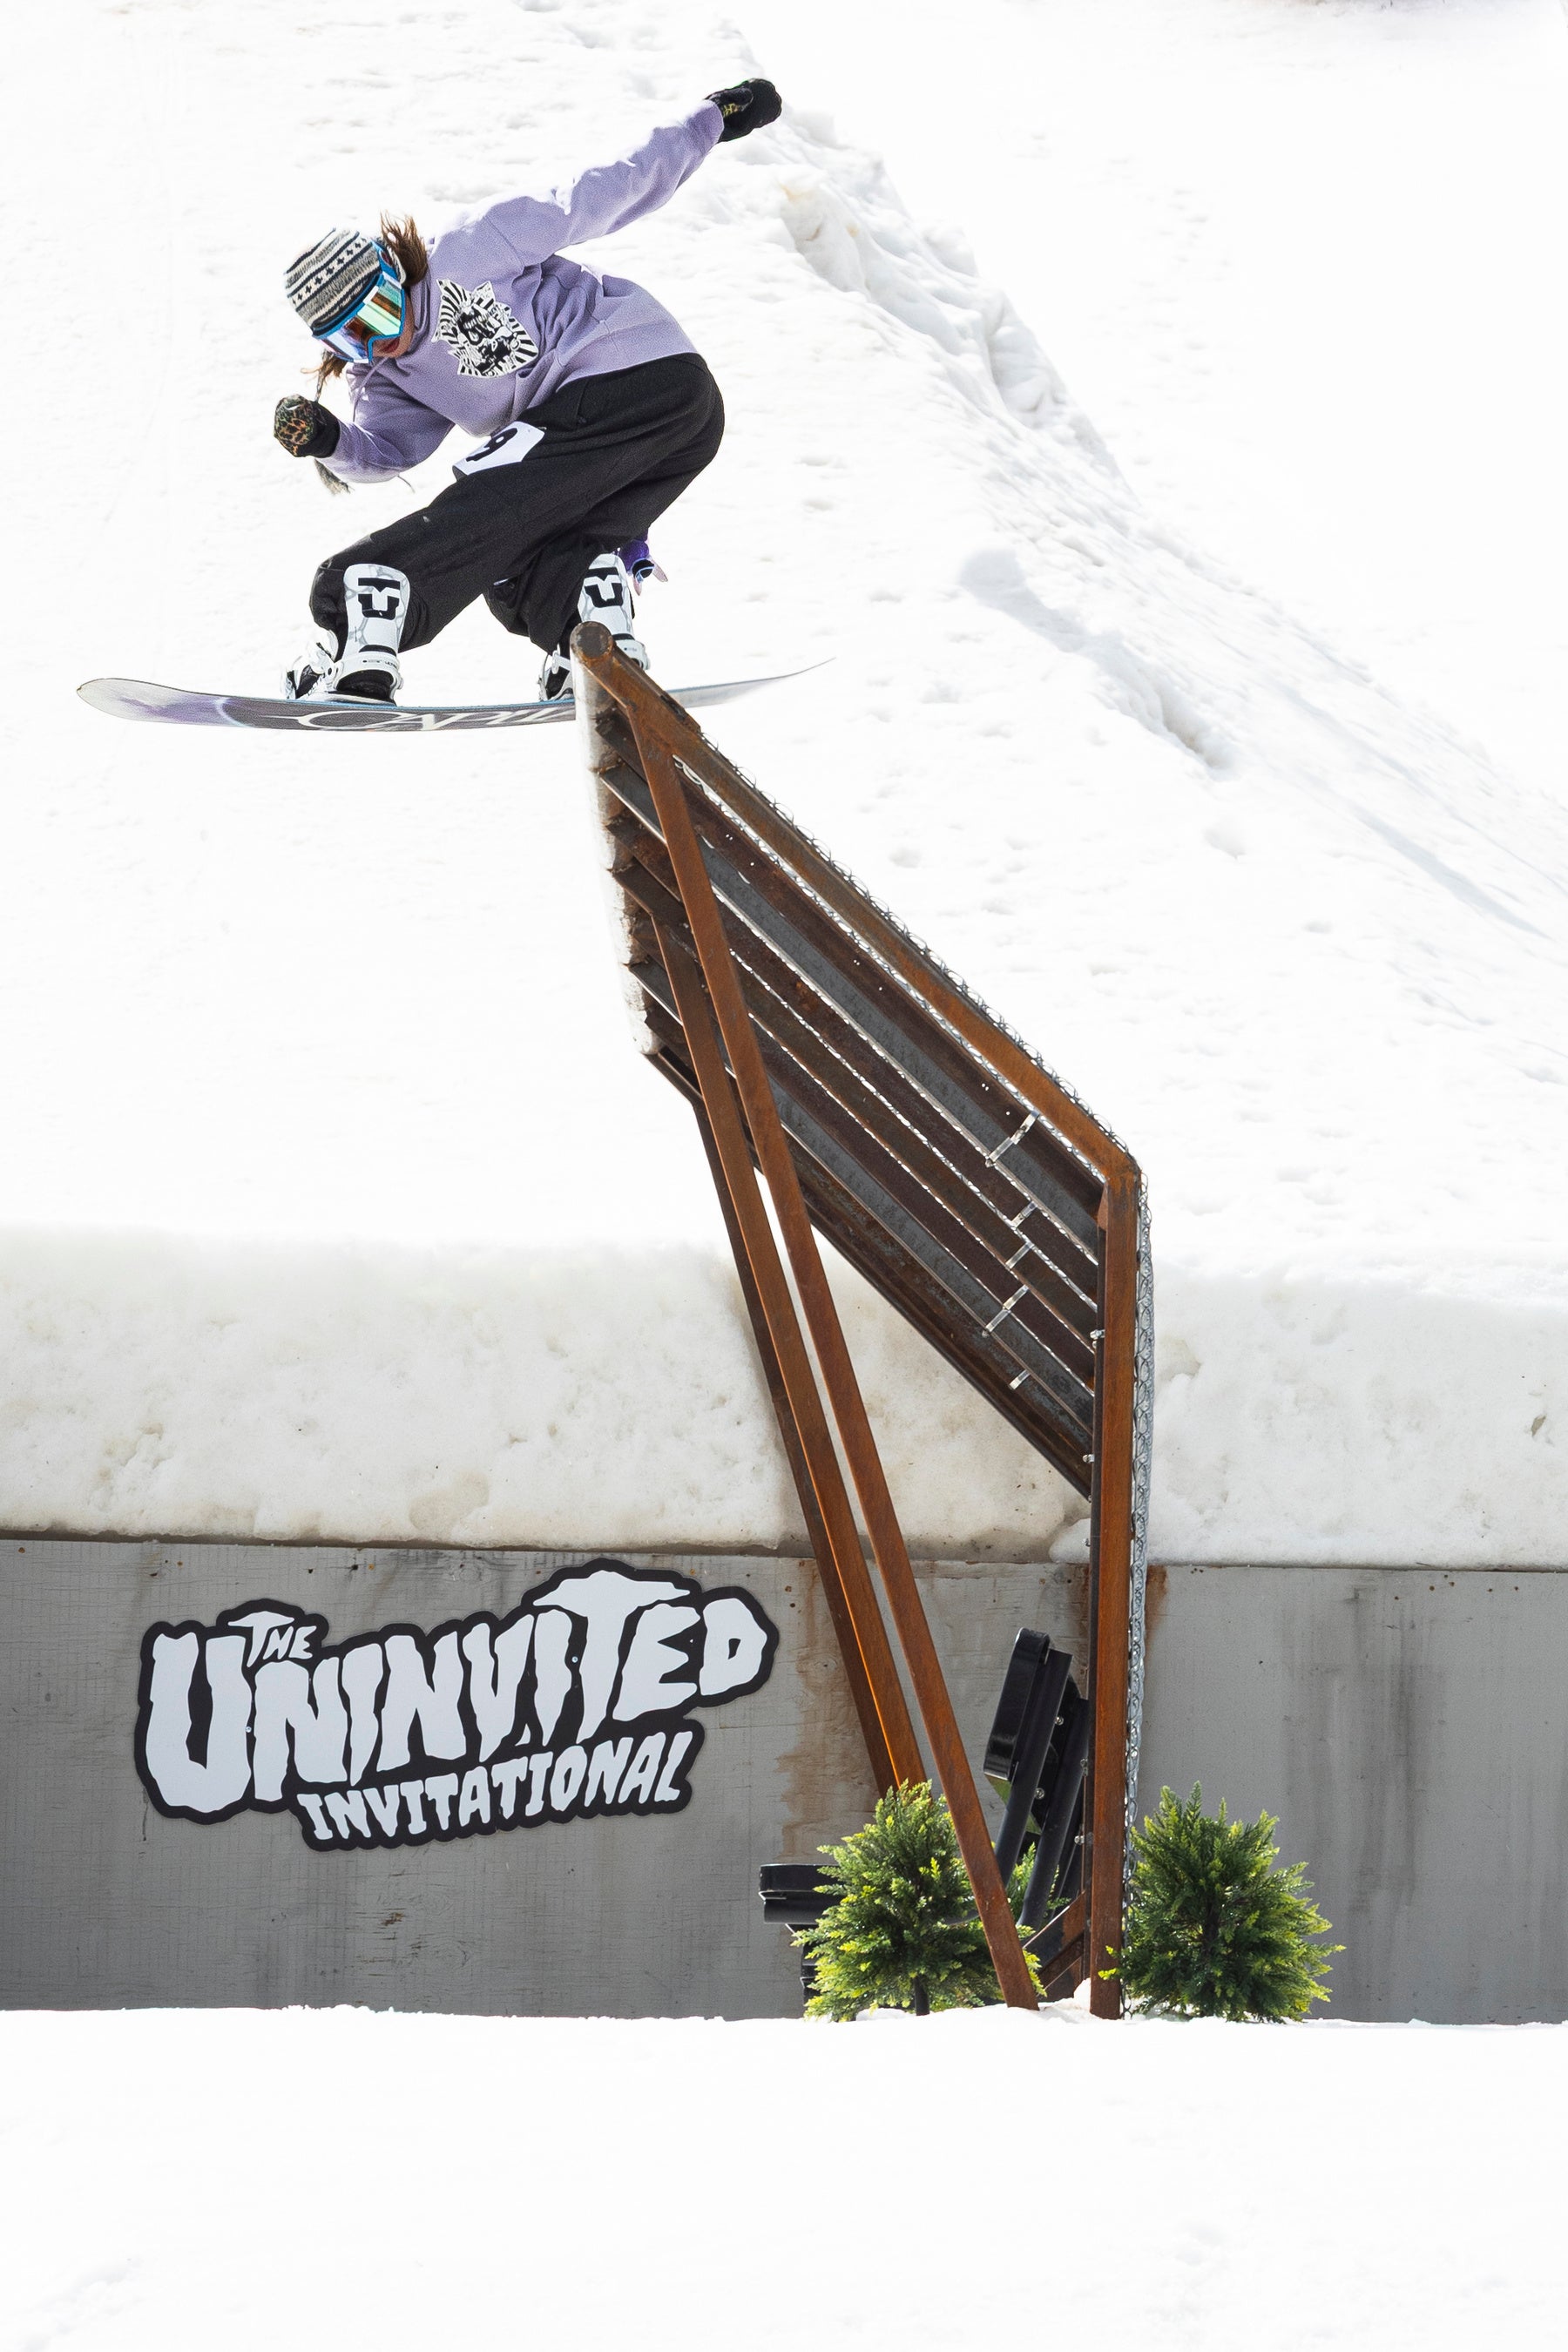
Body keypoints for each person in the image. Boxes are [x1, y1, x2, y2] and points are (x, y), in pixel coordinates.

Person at [274, 76, 781, 704]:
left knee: (487, 497)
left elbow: (600, 191)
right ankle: (588, 629)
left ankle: (365, 597)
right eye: (352, 340)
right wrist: (328, 440)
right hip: (676, 436)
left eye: (379, 313)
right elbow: (387, 452)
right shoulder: (385, 375)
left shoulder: (468, 249)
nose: (378, 343)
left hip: (634, 374)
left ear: (394, 274)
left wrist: (711, 120)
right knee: (516, 561)